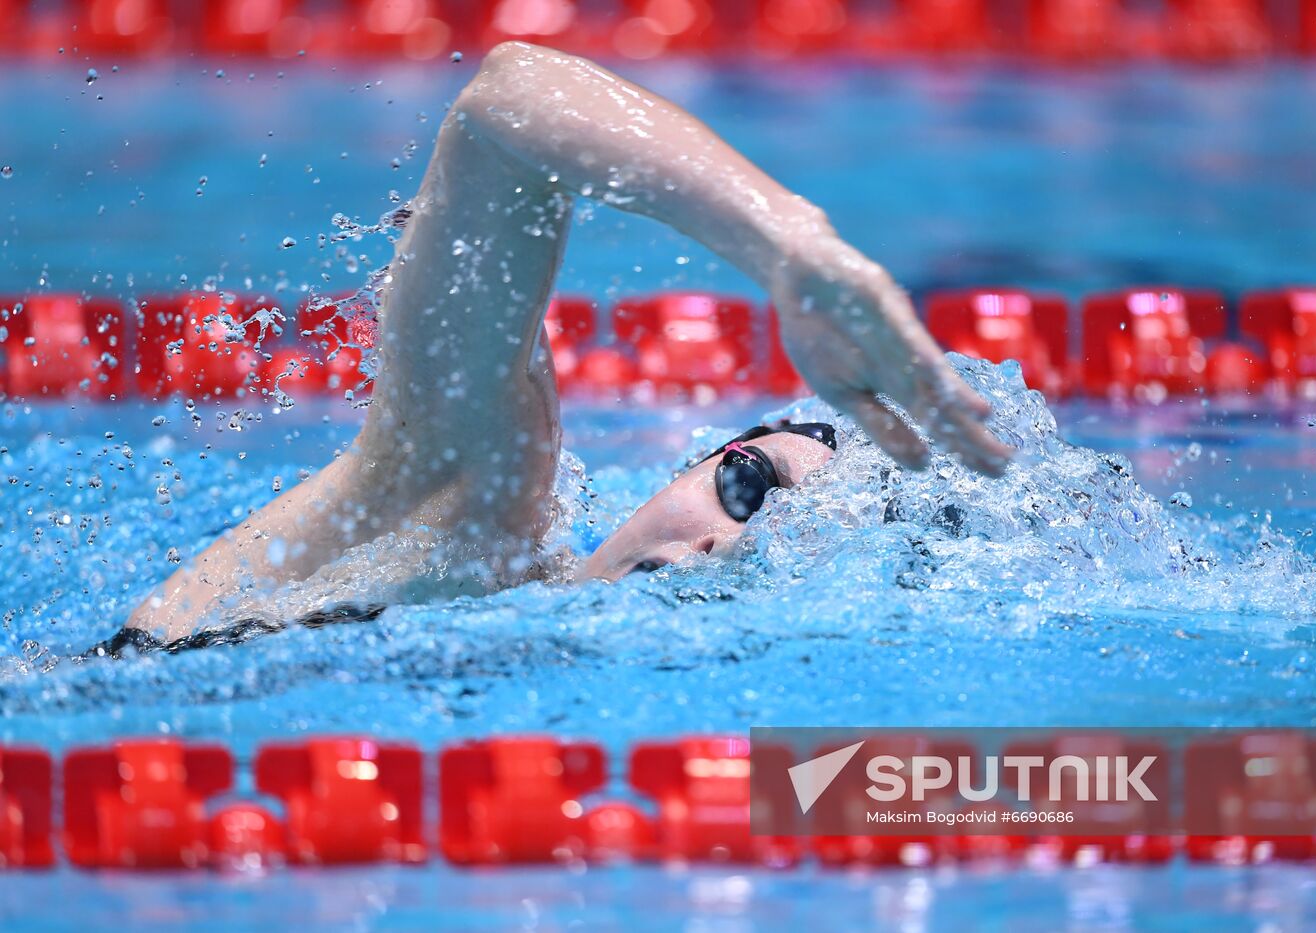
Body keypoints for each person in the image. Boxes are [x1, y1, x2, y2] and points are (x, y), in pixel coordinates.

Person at [109, 42, 1011, 651]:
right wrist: (789, 244)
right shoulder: (471, 520)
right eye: (748, 489)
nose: (722, 548)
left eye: (791, 553)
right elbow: (510, 101)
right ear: (691, 465)